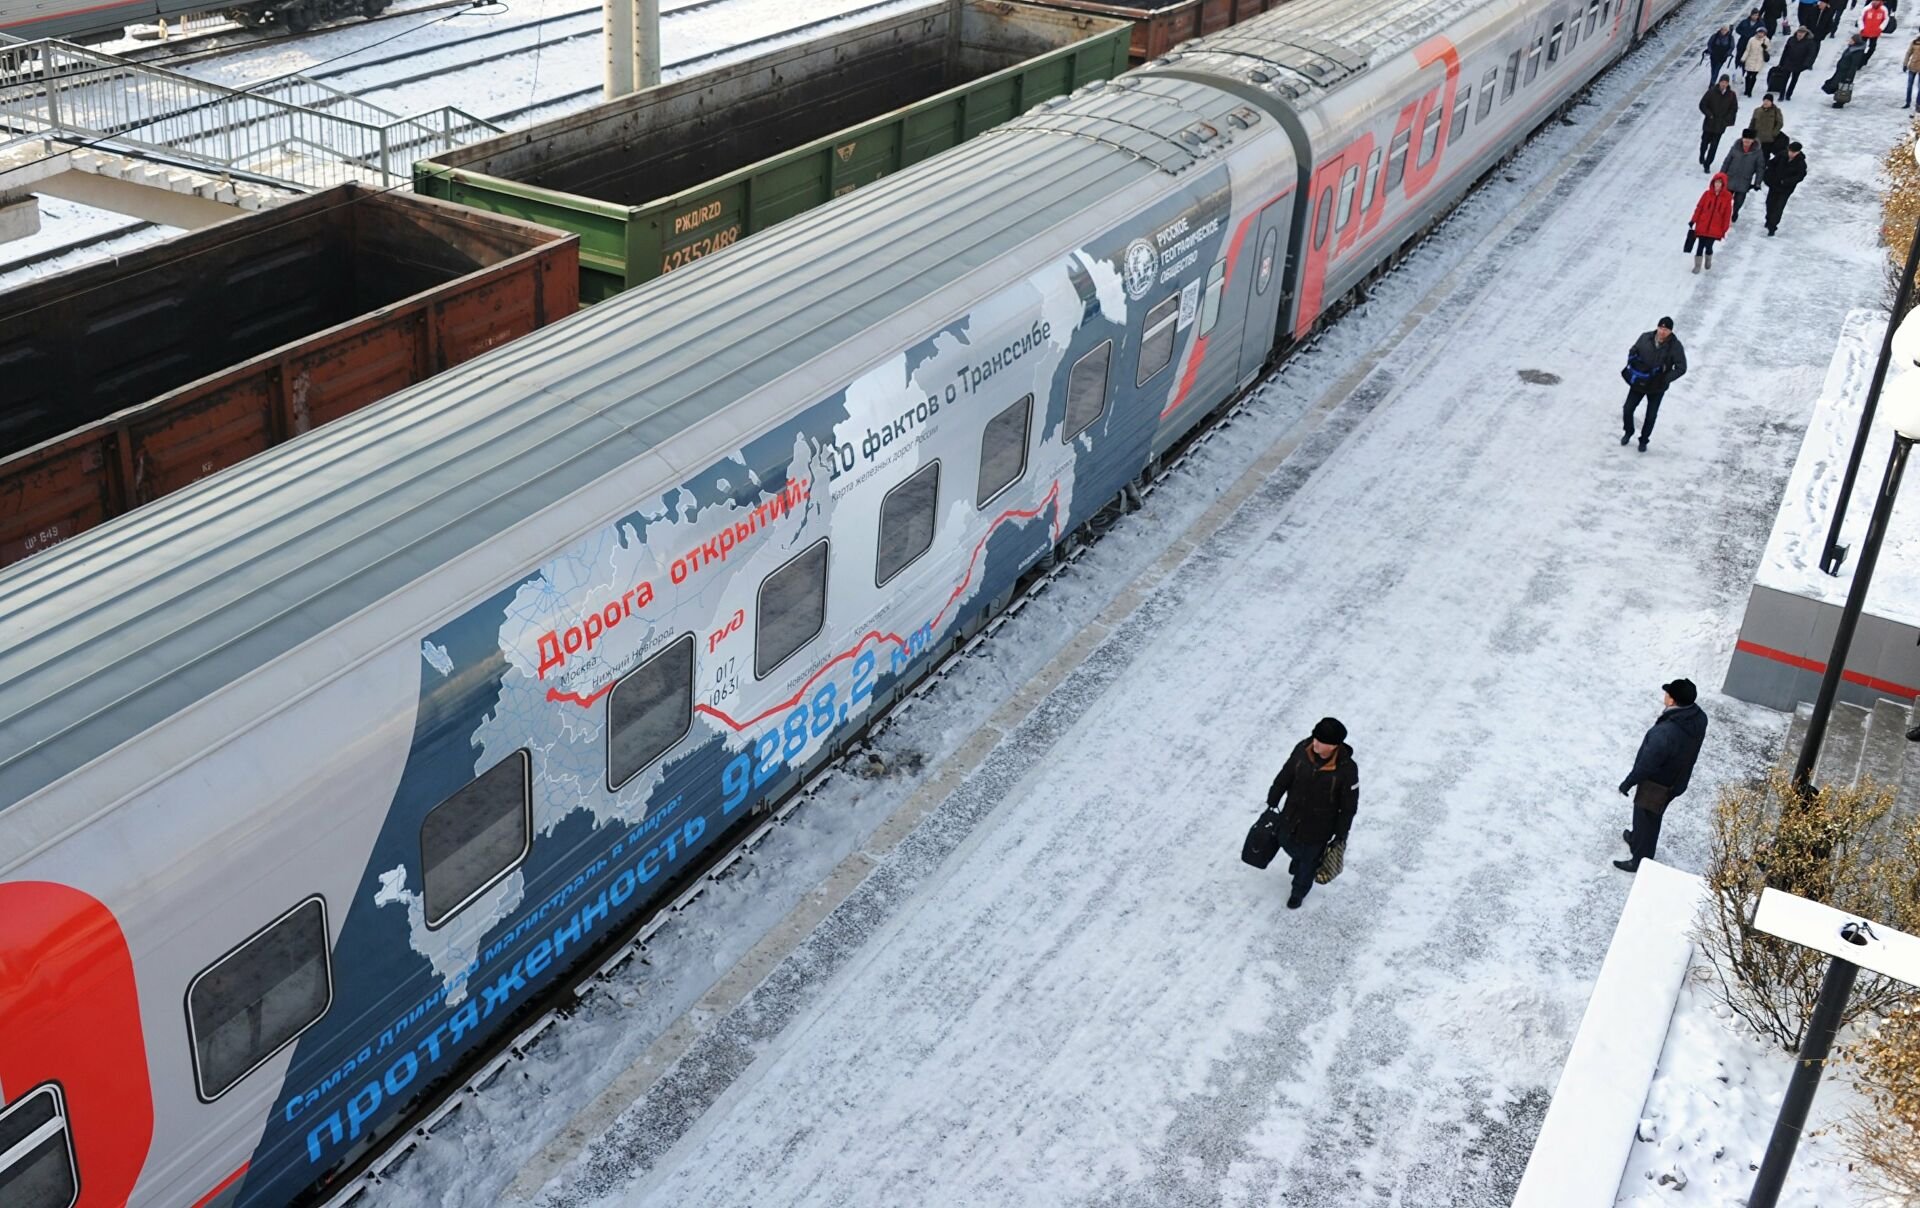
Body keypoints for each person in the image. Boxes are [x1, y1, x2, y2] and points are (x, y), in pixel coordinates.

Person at [1614, 679, 1709, 872]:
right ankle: (1636, 839)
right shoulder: (1698, 718)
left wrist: (1628, 782)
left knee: (1647, 818)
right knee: (1646, 816)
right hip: (1677, 778)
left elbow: (1647, 764)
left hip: (1657, 785)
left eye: (1668, 694)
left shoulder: (1666, 733)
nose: (1664, 696)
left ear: (1672, 701)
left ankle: (1640, 859)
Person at [1264, 717, 1358, 910]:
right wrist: (1275, 794)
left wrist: (1341, 834)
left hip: (1319, 828)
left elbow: (1348, 806)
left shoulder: (1347, 770)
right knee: (1285, 841)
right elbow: (1286, 773)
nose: (1314, 743)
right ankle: (1298, 860)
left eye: (1320, 741)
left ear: (1334, 746)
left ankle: (1298, 891)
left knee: (1308, 862)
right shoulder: (1302, 750)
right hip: (1292, 815)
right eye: (1315, 737)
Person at [1620, 318, 1688, 451]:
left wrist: (1665, 379)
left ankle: (1644, 440)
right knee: (1627, 409)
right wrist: (1633, 360)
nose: (1663, 332)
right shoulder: (1645, 337)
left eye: (1666, 330)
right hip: (1640, 382)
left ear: (1670, 331)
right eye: (1661, 328)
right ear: (1657, 327)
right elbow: (1634, 350)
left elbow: (1681, 368)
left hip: (1657, 387)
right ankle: (1628, 431)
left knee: (1651, 416)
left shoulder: (1676, 346)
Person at [1690, 173, 1735, 271]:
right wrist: (1693, 220)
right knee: (1700, 246)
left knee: (1708, 246)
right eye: (1716, 182)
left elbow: (1727, 214)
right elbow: (1699, 208)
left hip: (1716, 228)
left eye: (1719, 183)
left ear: (1723, 184)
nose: (1717, 185)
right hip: (1703, 225)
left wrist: (1724, 228)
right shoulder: (1707, 194)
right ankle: (1697, 266)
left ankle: (1708, 259)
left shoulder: (1727, 197)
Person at [1720, 130, 1766, 220]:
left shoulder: (1758, 153)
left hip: (1744, 181)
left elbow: (1760, 168)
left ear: (1753, 141)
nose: (1746, 142)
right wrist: (1721, 175)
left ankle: (1735, 212)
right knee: (1725, 199)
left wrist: (1757, 183)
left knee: (1739, 201)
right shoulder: (1735, 148)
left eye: (1749, 141)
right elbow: (1727, 162)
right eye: (1745, 140)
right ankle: (1724, 214)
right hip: (1730, 178)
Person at [1764, 141, 1808, 234]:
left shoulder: (1801, 163)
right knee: (1770, 203)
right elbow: (1771, 164)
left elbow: (1800, 176)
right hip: (1774, 184)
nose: (1791, 154)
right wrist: (1770, 177)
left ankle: (1773, 226)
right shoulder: (1781, 155)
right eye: (1790, 151)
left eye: (1794, 152)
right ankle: (1769, 219)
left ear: (1798, 152)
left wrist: (1787, 181)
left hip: (1786, 189)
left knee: (1779, 206)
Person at [1700, 76, 1740, 170]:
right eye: (1722, 82)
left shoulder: (1731, 95)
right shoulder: (1711, 92)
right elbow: (1703, 104)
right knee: (1704, 142)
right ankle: (1702, 154)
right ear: (1719, 82)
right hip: (1709, 123)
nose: (1724, 84)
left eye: (1726, 82)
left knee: (1714, 146)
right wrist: (1709, 114)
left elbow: (1733, 109)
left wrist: (1726, 120)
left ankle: (1708, 164)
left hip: (1720, 125)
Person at [1828, 32, 1870, 101]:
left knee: (1844, 88)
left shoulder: (1857, 52)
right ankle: (1838, 99)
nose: (1849, 41)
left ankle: (1840, 102)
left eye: (1851, 40)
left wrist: (1849, 77)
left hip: (1846, 73)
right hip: (1842, 71)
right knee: (1839, 86)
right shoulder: (1851, 48)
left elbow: (1854, 66)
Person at [1781, 25, 1821, 97]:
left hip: (1799, 64)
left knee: (1794, 80)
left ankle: (1789, 94)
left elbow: (1811, 54)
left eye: (1802, 33)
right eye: (1799, 32)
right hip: (1788, 62)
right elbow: (1785, 51)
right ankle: (1781, 94)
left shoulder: (1809, 42)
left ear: (1806, 34)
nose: (1800, 34)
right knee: (1784, 79)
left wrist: (1806, 64)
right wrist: (1781, 62)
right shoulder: (1791, 39)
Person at [1748, 94, 1786, 161]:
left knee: (1764, 157)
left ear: (1771, 102)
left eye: (1768, 101)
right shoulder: (1757, 110)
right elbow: (1752, 122)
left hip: (1768, 140)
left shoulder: (1776, 111)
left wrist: (1773, 133)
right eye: (1764, 100)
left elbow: (1780, 123)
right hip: (1757, 138)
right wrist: (1749, 134)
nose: (1765, 102)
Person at [1743, 25, 1774, 92]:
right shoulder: (1752, 39)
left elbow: (1769, 49)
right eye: (1759, 32)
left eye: (1762, 33)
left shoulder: (1766, 40)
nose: (1760, 34)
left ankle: (1750, 91)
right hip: (1750, 59)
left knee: (1754, 76)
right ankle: (1746, 89)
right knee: (1748, 76)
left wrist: (1765, 47)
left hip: (1759, 61)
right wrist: (1743, 58)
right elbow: (1747, 50)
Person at [1906, 34, 1920, 106]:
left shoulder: (1915, 42)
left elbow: (1908, 53)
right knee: (1909, 85)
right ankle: (1909, 102)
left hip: (1913, 65)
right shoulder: (1915, 42)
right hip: (1913, 66)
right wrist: (1905, 63)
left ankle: (1918, 104)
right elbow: (1908, 53)